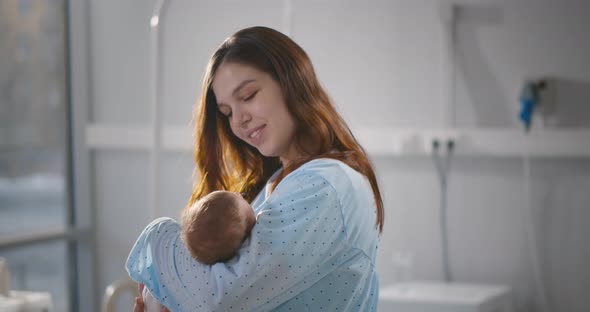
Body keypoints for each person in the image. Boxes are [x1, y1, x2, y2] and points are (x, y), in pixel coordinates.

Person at [127, 25, 384, 312]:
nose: (238, 121)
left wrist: (156, 236)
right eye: (227, 113)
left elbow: (220, 297)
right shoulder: (277, 183)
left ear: (292, 81)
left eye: (248, 96)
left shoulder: (323, 186)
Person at [136, 190, 257, 312]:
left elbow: (145, 277)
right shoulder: (220, 283)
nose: (239, 194)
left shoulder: (179, 264)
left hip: (154, 298)